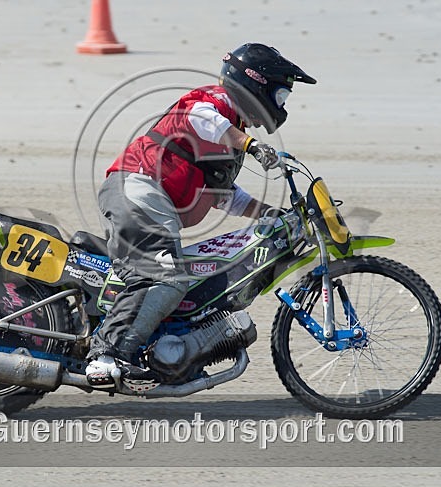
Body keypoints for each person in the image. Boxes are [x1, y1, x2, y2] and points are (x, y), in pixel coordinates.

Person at [85, 43, 316, 387]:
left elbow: (225, 197)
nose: (281, 105)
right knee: (165, 277)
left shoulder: (228, 126)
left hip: (148, 196)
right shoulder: (214, 102)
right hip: (138, 187)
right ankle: (106, 356)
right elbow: (201, 119)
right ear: (259, 83)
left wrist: (273, 215)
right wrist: (251, 146)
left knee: (181, 279)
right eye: (281, 95)